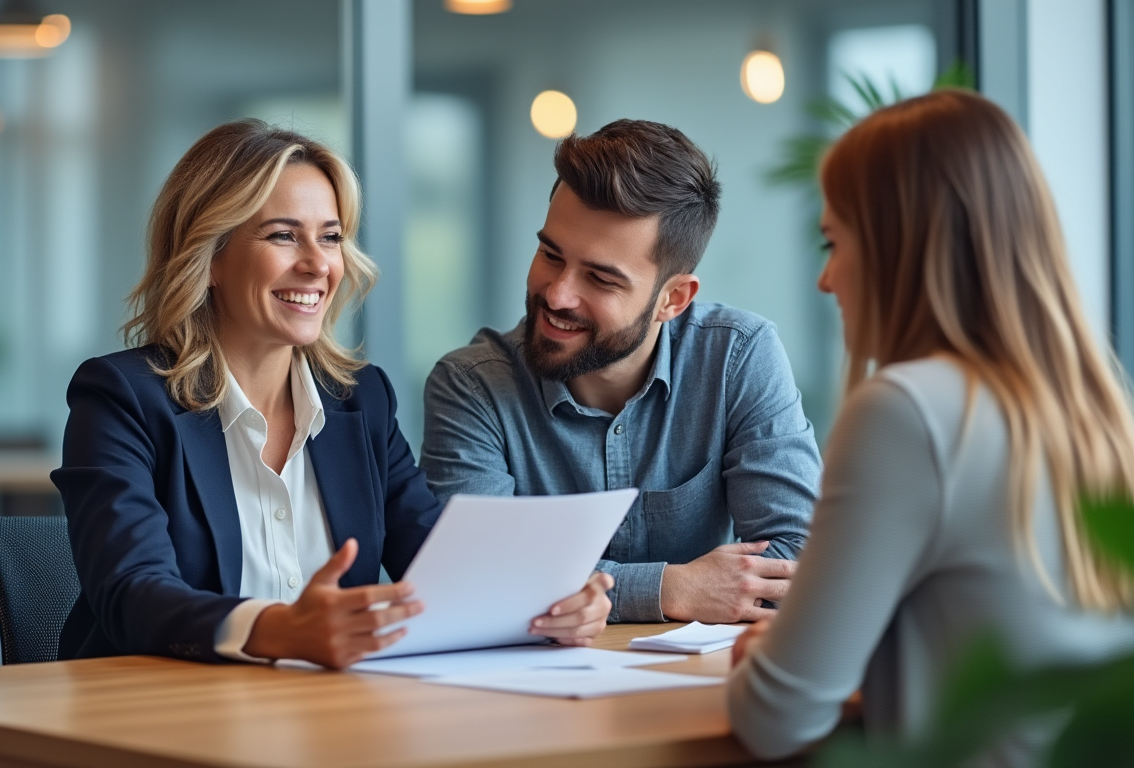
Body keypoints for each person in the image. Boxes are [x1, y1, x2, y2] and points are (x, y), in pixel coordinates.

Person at [53, 120, 613, 669]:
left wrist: (552, 606)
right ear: (211, 256)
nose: (318, 264)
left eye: (330, 237)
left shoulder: (361, 401)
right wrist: (279, 631)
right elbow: (132, 593)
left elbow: (441, 572)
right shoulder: (123, 398)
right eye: (283, 235)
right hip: (155, 710)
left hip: (327, 710)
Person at [726, 90, 1134, 763]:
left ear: (898, 247)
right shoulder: (1097, 413)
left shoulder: (906, 412)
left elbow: (778, 718)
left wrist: (761, 657)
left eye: (834, 242)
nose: (826, 280)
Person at [420, 119, 821, 625]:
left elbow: (798, 559)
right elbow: (473, 573)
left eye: (600, 279)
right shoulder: (473, 385)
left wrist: (564, 586)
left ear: (673, 299)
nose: (557, 294)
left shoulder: (737, 356)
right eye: (550, 255)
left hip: (698, 673)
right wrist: (669, 589)